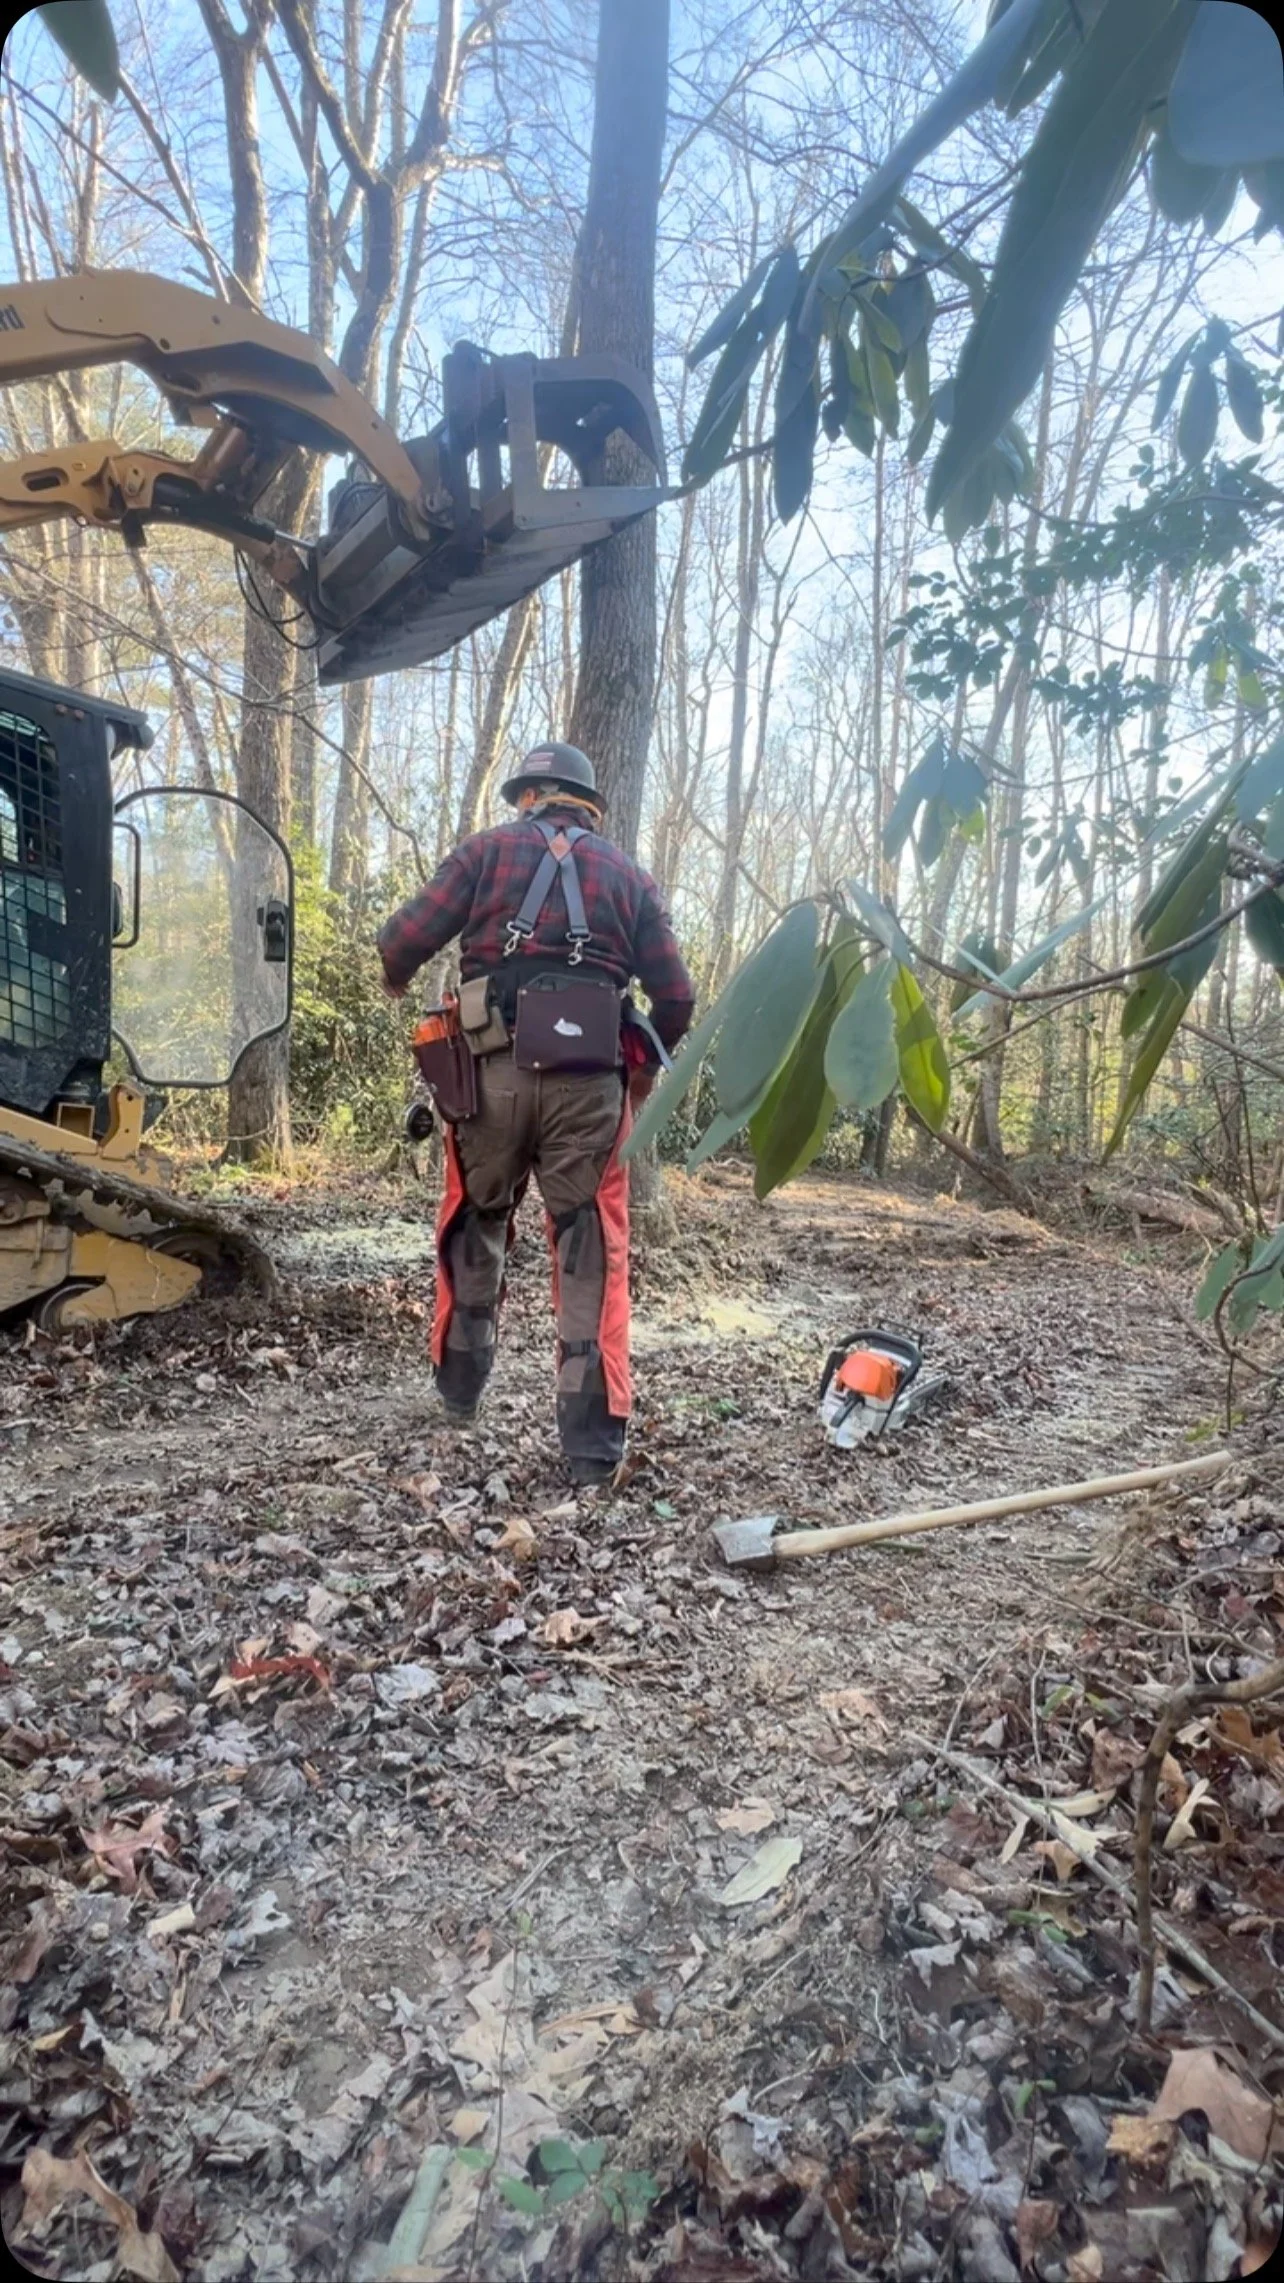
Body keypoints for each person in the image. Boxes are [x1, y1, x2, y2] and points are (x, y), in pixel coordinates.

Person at [377, 742, 694, 1486]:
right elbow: (676, 997)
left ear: (530, 796)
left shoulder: (485, 852)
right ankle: (591, 1449)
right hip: (590, 1088)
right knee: (590, 1245)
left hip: (489, 1077)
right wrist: (638, 1071)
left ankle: (460, 1390)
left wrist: (397, 978)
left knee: (476, 1218)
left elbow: (400, 941)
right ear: (587, 805)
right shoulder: (629, 877)